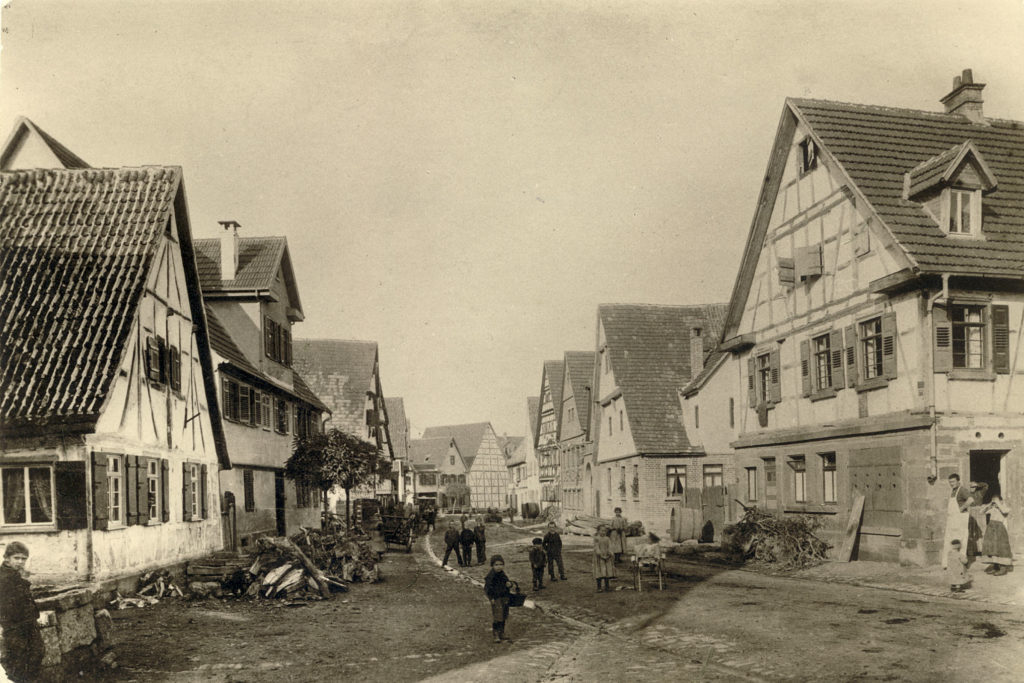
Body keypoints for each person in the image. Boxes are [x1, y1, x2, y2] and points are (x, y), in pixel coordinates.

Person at [0, 541, 44, 683]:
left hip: (28, 623)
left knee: (37, 653)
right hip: (14, 626)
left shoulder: (16, 575)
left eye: (23, 559)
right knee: (18, 661)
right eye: (16, 558)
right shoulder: (4, 578)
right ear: (6, 558)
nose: (20, 562)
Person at [942, 474, 972, 569]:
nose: (951, 484)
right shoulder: (953, 491)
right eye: (950, 482)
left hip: (960, 520)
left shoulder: (962, 490)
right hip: (952, 520)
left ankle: (960, 563)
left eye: (953, 482)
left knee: (960, 541)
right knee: (950, 540)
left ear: (958, 481)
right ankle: (949, 563)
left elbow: (971, 500)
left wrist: (962, 508)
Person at [980, 495, 1013, 576]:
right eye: (994, 502)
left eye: (997, 501)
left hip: (999, 530)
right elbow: (981, 512)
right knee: (992, 548)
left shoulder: (1004, 508)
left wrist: (998, 503)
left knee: (1001, 548)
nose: (995, 504)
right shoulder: (993, 509)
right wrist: (990, 504)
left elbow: (1004, 511)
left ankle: (1003, 567)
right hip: (991, 529)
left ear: (1001, 501)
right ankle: (995, 566)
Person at [484, 555, 514, 643]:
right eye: (496, 565)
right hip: (496, 598)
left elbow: (507, 582)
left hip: (504, 596)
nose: (499, 566)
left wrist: (509, 584)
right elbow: (487, 588)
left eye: (501, 564)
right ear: (492, 566)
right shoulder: (491, 576)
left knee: (504, 614)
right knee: (498, 616)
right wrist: (491, 598)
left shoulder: (503, 574)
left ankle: (502, 632)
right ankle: (496, 634)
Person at [967, 481, 989, 560]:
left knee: (981, 531)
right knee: (971, 530)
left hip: (979, 513)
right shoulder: (967, 494)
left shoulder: (980, 493)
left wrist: (977, 484)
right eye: (971, 487)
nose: (972, 488)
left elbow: (986, 485)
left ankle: (982, 550)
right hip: (971, 513)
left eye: (974, 487)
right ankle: (972, 550)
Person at [593, 525, 615, 592]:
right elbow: (596, 547)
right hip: (599, 558)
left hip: (607, 557)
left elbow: (610, 546)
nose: (603, 532)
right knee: (599, 571)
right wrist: (600, 554)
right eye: (602, 530)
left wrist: (610, 553)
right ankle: (599, 587)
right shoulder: (596, 538)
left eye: (604, 531)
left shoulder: (607, 538)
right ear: (598, 531)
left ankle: (607, 587)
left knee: (606, 571)